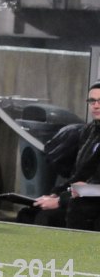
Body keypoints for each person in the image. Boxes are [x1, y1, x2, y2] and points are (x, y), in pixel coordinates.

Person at [26, 81, 100, 231]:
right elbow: (83, 174)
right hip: (88, 194)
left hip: (91, 198)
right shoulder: (91, 131)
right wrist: (57, 193)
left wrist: (62, 200)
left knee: (69, 209)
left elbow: (92, 188)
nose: (96, 105)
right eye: (92, 101)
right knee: (31, 211)